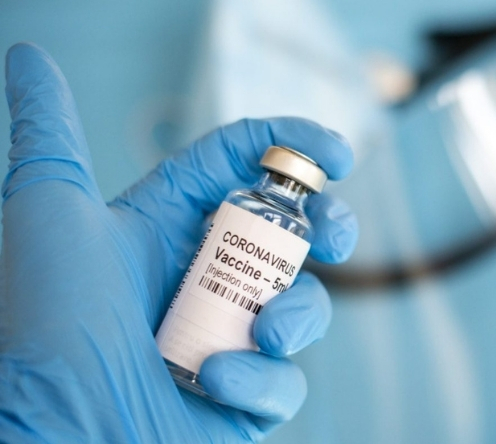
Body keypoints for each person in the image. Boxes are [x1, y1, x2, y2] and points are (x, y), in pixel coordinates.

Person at [0, 42, 358, 443]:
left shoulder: (286, 223)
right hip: (165, 354)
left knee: (273, 326)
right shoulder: (241, 202)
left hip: (209, 382)